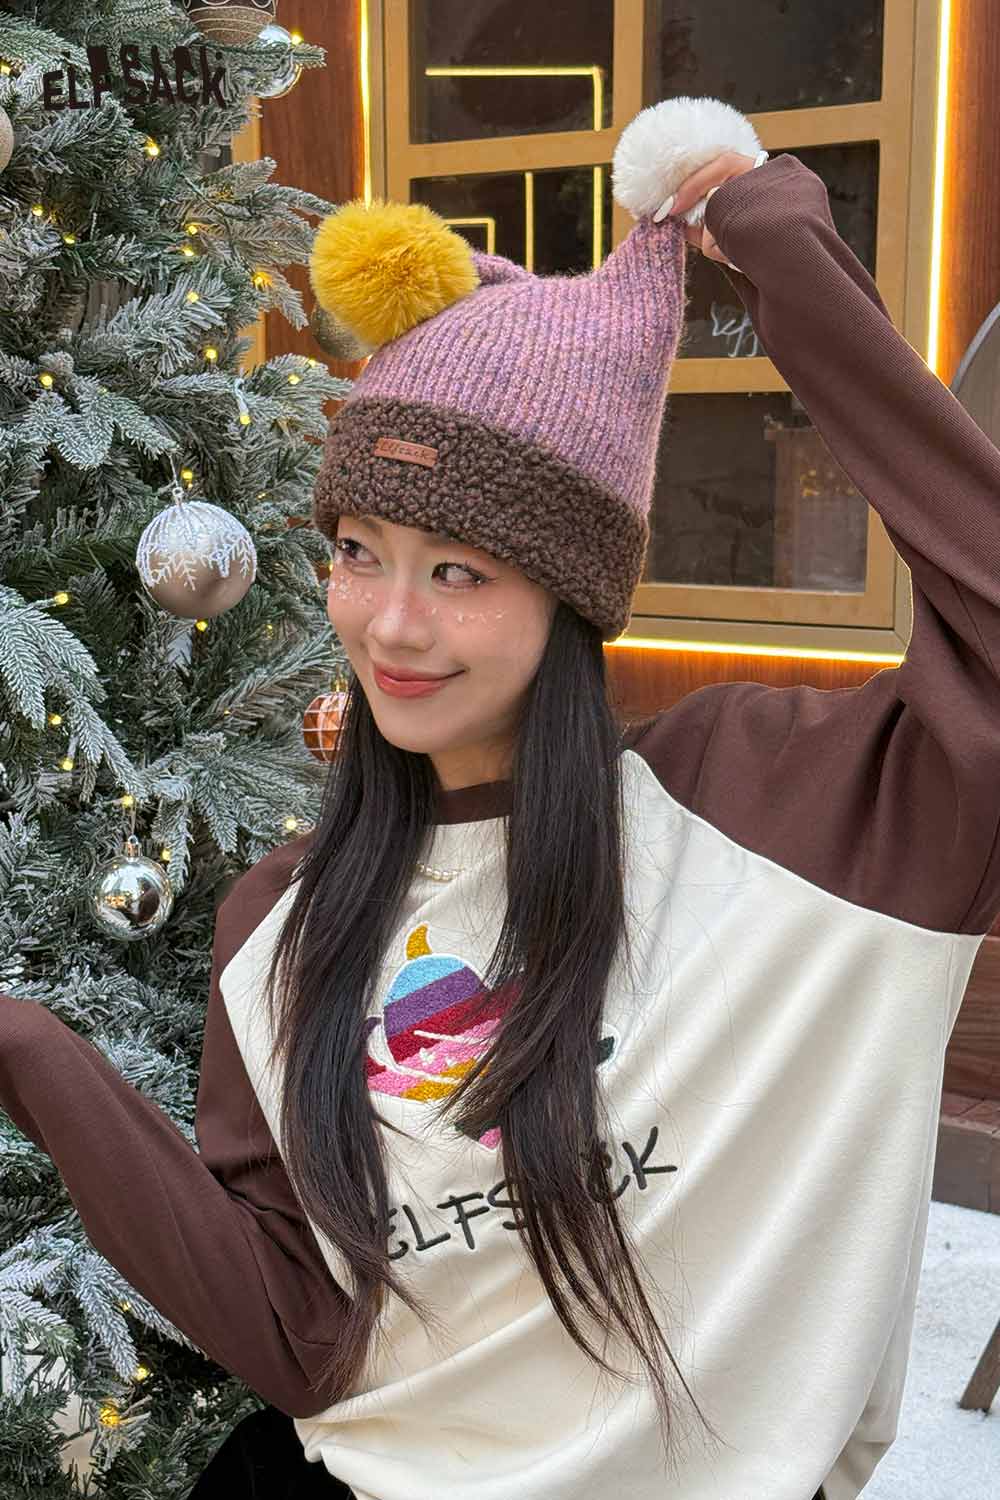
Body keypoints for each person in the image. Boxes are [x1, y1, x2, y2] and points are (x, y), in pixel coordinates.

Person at [2, 95, 998, 1500]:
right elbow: (302, 1336)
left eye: (460, 570)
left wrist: (782, 253)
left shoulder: (782, 820)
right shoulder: (279, 920)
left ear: (573, 592)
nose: (391, 626)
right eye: (360, 550)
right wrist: (29, 1050)